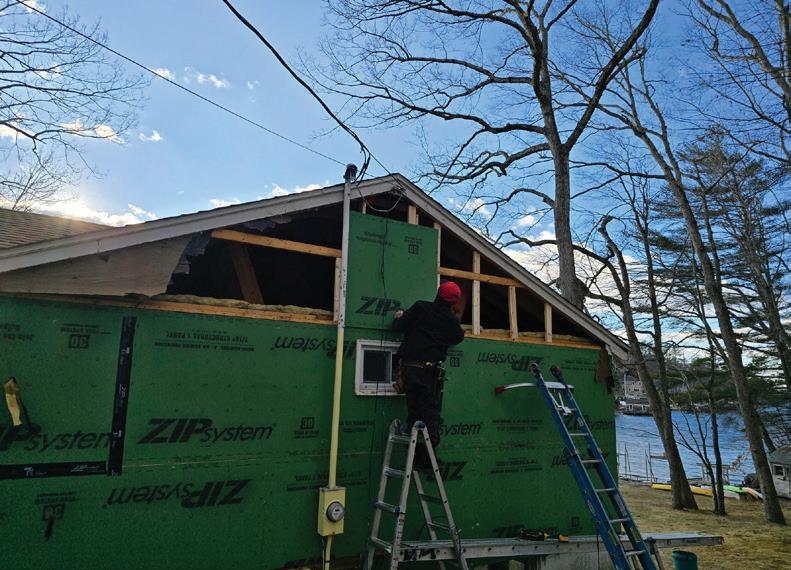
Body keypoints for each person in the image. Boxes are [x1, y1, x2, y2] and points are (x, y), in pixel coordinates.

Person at [392, 281, 465, 469]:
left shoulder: (420, 308)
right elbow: (458, 337)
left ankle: (415, 457)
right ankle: (426, 459)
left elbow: (399, 326)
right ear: (454, 301)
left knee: (414, 412)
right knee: (430, 414)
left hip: (409, 369)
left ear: (438, 293)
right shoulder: (451, 320)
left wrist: (400, 317)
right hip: (429, 372)